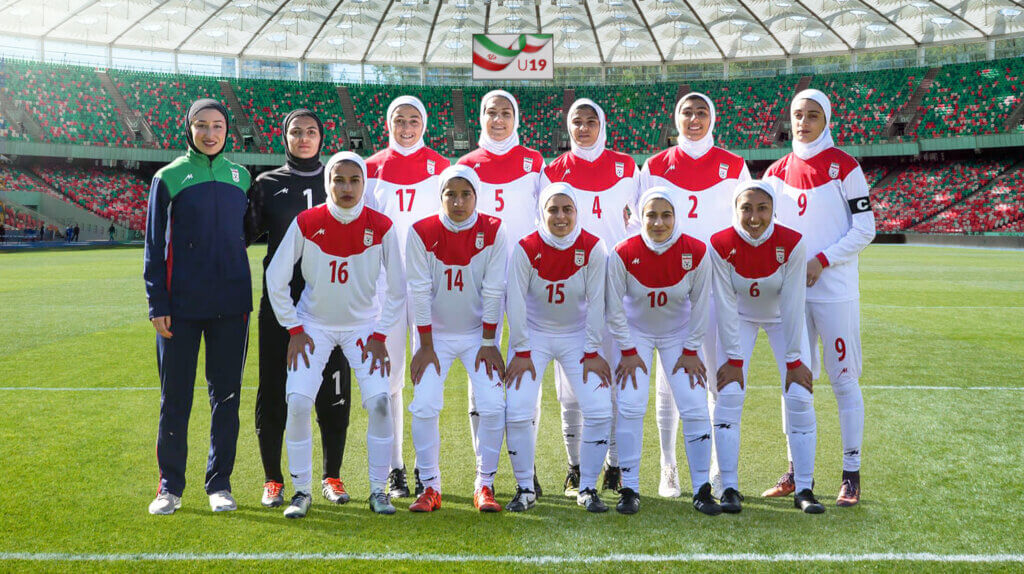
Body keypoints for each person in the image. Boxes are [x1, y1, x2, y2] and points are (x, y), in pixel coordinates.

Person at [265, 151, 405, 517]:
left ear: (364, 183)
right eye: (338, 180)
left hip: (363, 328)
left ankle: (379, 491)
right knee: (297, 403)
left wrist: (379, 332)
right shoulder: (307, 221)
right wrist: (293, 327)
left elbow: (398, 288)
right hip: (314, 326)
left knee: (379, 403)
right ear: (327, 183)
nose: (346, 187)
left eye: (354, 180)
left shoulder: (382, 226)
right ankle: (301, 492)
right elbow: (275, 278)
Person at [762, 89, 876, 507]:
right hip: (791, 297)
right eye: (797, 114)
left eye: (812, 115)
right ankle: (795, 471)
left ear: (826, 119)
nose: (803, 122)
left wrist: (822, 260)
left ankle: (851, 474)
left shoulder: (845, 167)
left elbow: (865, 229)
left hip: (835, 293)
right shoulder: (774, 173)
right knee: (794, 381)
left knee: (844, 380)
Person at [639, 92, 751, 499]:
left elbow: (746, 222)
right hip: (671, 286)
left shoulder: (734, 165)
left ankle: (721, 471)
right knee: (670, 383)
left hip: (718, 285)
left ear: (713, 119)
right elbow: (643, 222)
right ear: (676, 119)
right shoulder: (654, 166)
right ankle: (668, 468)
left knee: (717, 381)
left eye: (702, 112)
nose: (694, 119)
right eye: (687, 112)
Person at [144, 98, 252, 515]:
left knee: (225, 397)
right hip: (180, 308)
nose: (210, 134)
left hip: (232, 305)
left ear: (228, 131)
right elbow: (155, 247)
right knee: (176, 399)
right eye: (202, 125)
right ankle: (169, 486)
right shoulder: (167, 177)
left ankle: (219, 483)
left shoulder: (242, 177)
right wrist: (158, 302)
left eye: (218, 126)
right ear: (188, 128)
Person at [245, 109, 353, 509]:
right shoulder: (266, 184)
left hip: (332, 306)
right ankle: (273, 480)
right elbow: (237, 237)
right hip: (280, 307)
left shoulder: (341, 180)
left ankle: (332, 476)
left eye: (311, 132)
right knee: (274, 392)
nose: (304, 138)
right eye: (296, 132)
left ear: (322, 138)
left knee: (333, 392)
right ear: (285, 138)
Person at [540, 98, 640, 496]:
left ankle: (614, 466)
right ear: (568, 127)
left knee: (613, 379)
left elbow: (638, 220)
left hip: (615, 286)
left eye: (590, 121)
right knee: (570, 390)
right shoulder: (554, 170)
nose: (583, 128)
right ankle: (577, 467)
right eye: (576, 122)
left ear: (603, 124)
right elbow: (547, 224)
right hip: (571, 288)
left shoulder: (627, 166)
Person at [709, 180, 824, 514]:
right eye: (746, 208)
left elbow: (792, 303)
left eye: (762, 208)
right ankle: (729, 487)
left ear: (774, 210)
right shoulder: (720, 243)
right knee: (729, 393)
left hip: (781, 317)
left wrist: (794, 360)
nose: (754, 217)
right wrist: (732, 358)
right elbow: (726, 304)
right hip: (740, 317)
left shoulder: (792, 242)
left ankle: (804, 488)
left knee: (800, 395)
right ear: (736, 209)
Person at [606, 187, 719, 516]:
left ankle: (701, 488)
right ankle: (630, 488)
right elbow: (614, 309)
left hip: (678, 335)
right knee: (630, 405)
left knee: (696, 406)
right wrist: (627, 350)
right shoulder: (623, 251)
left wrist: (691, 348)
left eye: (665, 215)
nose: (658, 222)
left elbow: (700, 305)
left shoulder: (696, 251)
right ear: (640, 216)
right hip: (635, 334)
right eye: (651, 215)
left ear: (676, 216)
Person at [504, 183, 614, 513]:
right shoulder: (526, 247)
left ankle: (587, 487)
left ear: (577, 212)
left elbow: (597, 301)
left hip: (577, 335)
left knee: (599, 407)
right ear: (542, 212)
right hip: (534, 336)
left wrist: (593, 351)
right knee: (519, 408)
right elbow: (516, 302)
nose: (561, 216)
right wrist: (522, 350)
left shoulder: (594, 247)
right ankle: (525, 487)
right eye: (553, 209)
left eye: (567, 209)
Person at [405, 165, 508, 513]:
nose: (459, 201)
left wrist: (490, 342)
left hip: (480, 336)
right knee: (423, 404)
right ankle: (430, 486)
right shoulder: (421, 230)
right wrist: (424, 345)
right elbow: (418, 290)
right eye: (451, 193)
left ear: (477, 196)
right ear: (441, 196)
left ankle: (485, 484)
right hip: (435, 337)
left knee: (494, 405)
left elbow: (495, 288)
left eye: (466, 194)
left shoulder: (494, 229)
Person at [457, 89, 545, 496]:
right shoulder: (466, 164)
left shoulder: (534, 161)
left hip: (528, 278)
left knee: (527, 373)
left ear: (516, 118)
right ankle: (484, 468)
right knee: (483, 373)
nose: (498, 119)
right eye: (491, 112)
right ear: (481, 117)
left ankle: (528, 466)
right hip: (481, 281)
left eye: (506, 112)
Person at [365, 95, 451, 497]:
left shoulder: (443, 168)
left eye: (414, 120)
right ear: (388, 124)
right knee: (390, 379)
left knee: (428, 376)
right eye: (399, 120)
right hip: (386, 287)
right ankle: (396, 467)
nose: (406, 128)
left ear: (424, 124)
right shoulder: (370, 169)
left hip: (429, 285)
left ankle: (426, 471)